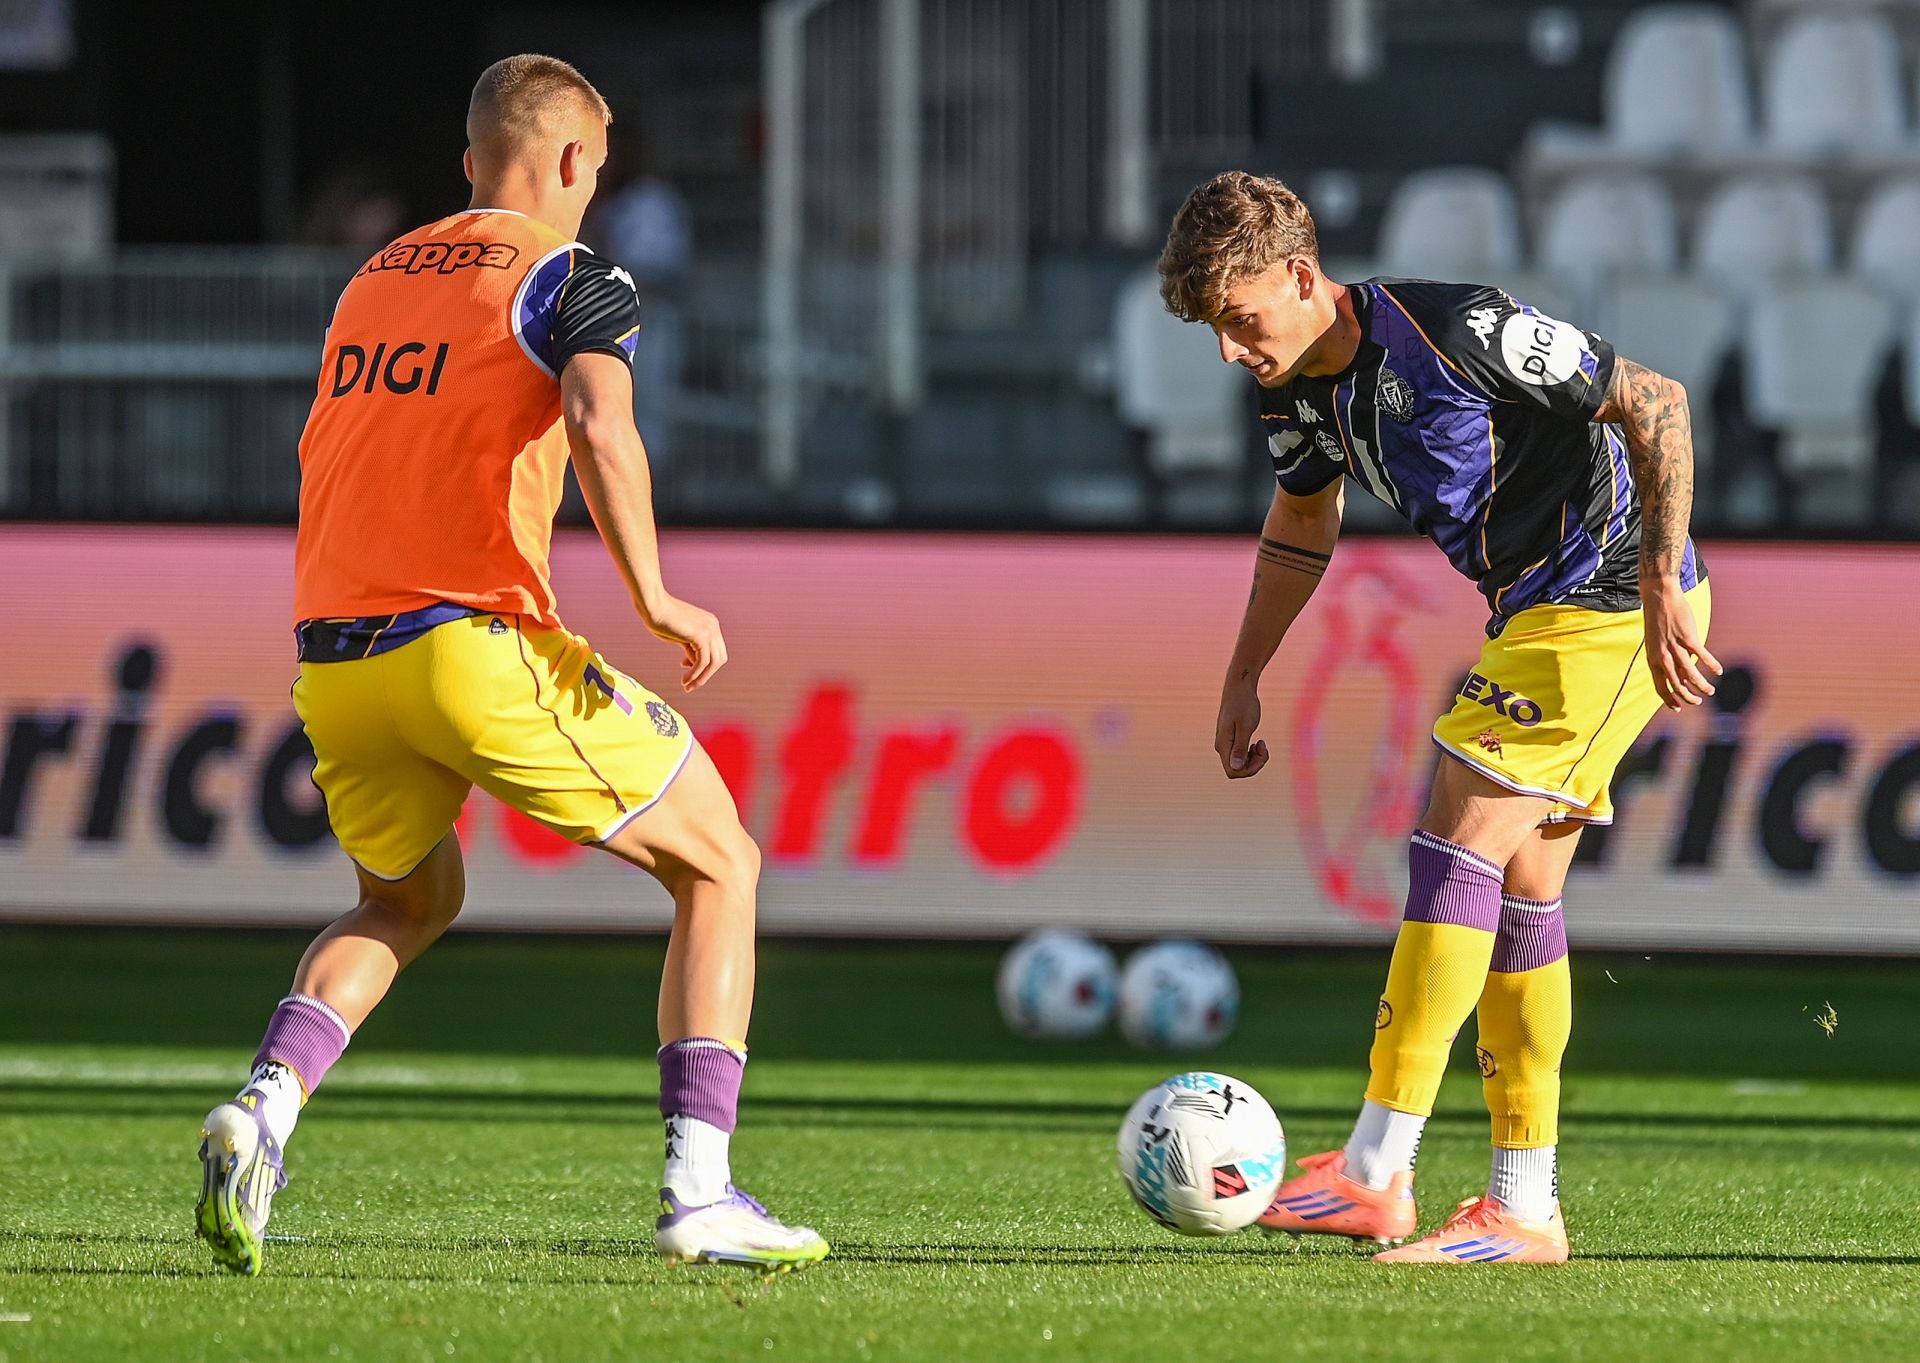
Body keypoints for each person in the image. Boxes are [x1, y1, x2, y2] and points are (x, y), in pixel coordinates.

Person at [194, 54, 827, 1277]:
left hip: (334, 662)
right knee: (720, 864)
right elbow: (600, 421)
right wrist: (652, 592)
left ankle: (264, 1105)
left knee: (406, 901)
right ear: (579, 160)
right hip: (468, 645)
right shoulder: (571, 274)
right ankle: (700, 1192)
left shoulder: (374, 277)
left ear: (470, 159)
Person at [1159, 171, 1719, 1264]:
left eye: (1239, 319)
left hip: (1606, 600)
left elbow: (1657, 400)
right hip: (1540, 612)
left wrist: (1658, 581)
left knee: (1455, 835)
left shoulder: (1456, 327)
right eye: (1211, 330)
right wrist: (1244, 670)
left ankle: (1374, 1171)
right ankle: (1522, 1205)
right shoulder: (1295, 390)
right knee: (1520, 887)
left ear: (1300, 275)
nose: (1230, 350)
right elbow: (1302, 521)